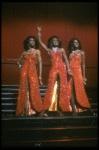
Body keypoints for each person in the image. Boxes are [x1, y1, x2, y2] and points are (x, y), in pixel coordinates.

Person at [37, 26, 72, 117]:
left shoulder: (62, 50)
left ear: (58, 41)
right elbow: (40, 43)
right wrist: (39, 32)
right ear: (51, 42)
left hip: (62, 69)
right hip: (53, 69)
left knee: (62, 88)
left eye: (56, 40)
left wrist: (68, 69)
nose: (55, 41)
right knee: (51, 88)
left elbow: (66, 60)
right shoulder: (49, 50)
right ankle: (44, 109)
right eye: (53, 40)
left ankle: (60, 109)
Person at [16, 36, 43, 116]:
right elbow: (17, 61)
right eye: (30, 40)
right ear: (28, 43)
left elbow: (40, 63)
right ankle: (24, 110)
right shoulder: (24, 53)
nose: (32, 42)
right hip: (24, 70)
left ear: (35, 42)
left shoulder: (37, 51)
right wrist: (20, 66)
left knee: (34, 88)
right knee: (24, 89)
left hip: (33, 71)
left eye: (33, 40)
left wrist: (40, 75)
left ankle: (36, 109)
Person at [68, 38, 92, 115]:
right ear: (72, 44)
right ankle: (74, 110)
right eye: (74, 42)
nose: (76, 43)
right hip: (70, 73)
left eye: (77, 42)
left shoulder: (82, 52)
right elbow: (68, 64)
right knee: (70, 90)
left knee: (79, 90)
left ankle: (85, 107)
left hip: (78, 73)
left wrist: (84, 76)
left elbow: (83, 65)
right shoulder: (70, 53)